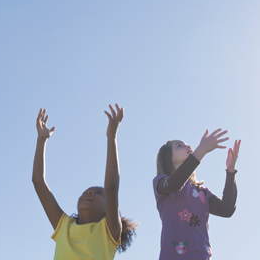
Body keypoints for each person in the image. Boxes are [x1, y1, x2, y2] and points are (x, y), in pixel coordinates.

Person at [32, 105, 138, 260]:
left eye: (98, 193)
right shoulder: (64, 227)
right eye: (86, 191)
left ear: (107, 210)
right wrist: (41, 140)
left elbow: (111, 188)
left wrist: (112, 137)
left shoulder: (108, 231)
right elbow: (38, 182)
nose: (89, 193)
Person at [154, 129, 240, 259]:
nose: (188, 146)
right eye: (179, 145)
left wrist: (231, 171)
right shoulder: (160, 182)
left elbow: (226, 210)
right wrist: (202, 149)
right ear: (169, 159)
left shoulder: (201, 192)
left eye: (186, 144)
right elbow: (174, 184)